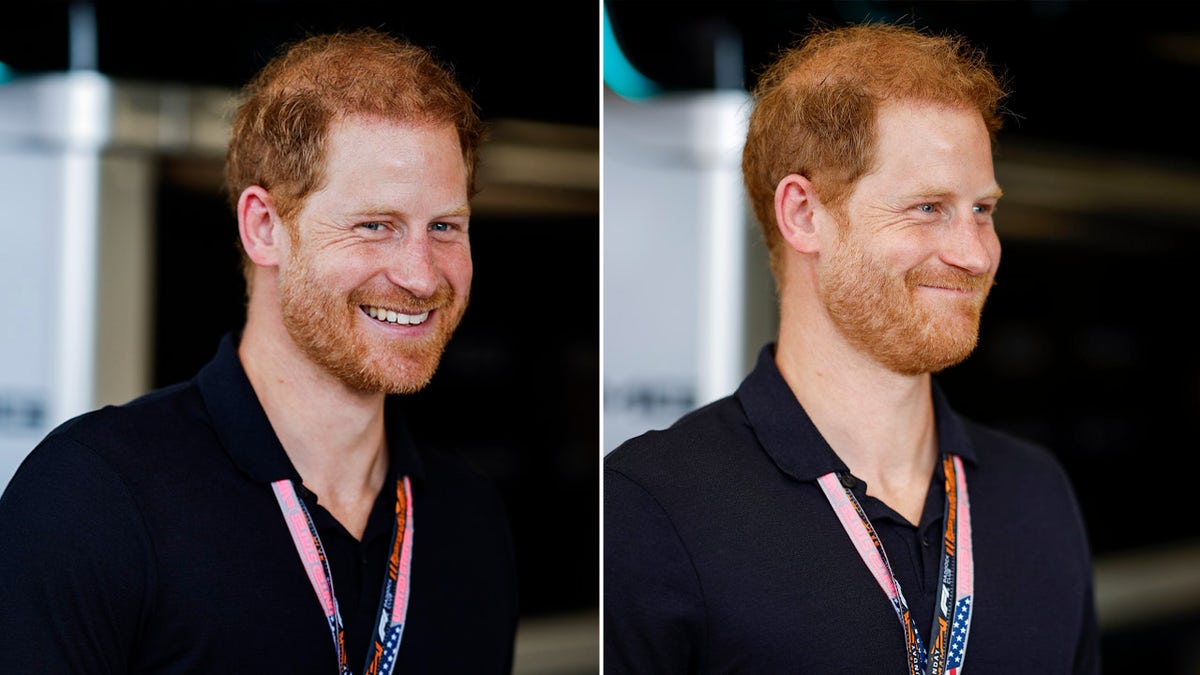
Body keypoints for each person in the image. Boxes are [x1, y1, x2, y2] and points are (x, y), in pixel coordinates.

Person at [0, 28, 517, 674]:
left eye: (445, 226)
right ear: (264, 227)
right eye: (374, 225)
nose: (420, 274)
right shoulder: (88, 501)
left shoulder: (471, 519)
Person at [604, 20, 1100, 674]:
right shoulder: (649, 508)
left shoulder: (1037, 494)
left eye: (983, 209)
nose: (976, 253)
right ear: (804, 214)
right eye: (928, 207)